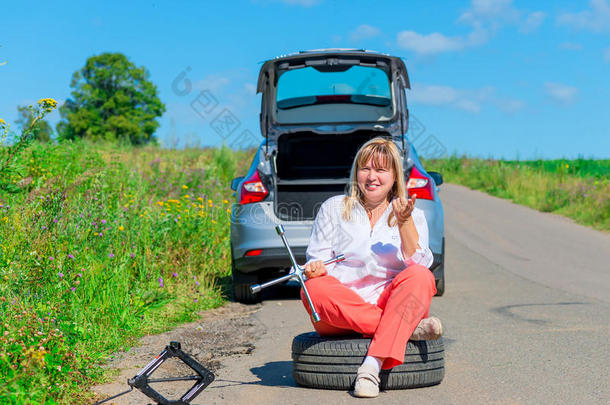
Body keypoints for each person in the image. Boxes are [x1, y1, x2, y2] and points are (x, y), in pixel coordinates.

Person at [300, 137, 443, 398]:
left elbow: (419, 263)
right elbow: (315, 259)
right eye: (365, 168)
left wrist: (404, 223)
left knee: (420, 276)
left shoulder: (413, 215)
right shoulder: (333, 208)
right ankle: (406, 329)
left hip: (390, 303)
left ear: (394, 176)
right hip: (339, 313)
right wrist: (314, 269)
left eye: (381, 170)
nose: (371, 177)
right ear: (356, 172)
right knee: (313, 288)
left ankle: (370, 369)